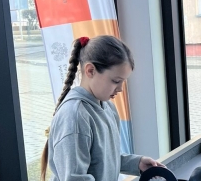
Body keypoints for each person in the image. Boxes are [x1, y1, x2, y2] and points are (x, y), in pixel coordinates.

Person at [40, 35, 164, 181]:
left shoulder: (108, 107)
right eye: (116, 81)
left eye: (123, 82)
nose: (120, 89)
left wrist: (137, 163)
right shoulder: (74, 117)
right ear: (90, 71)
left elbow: (104, 159)